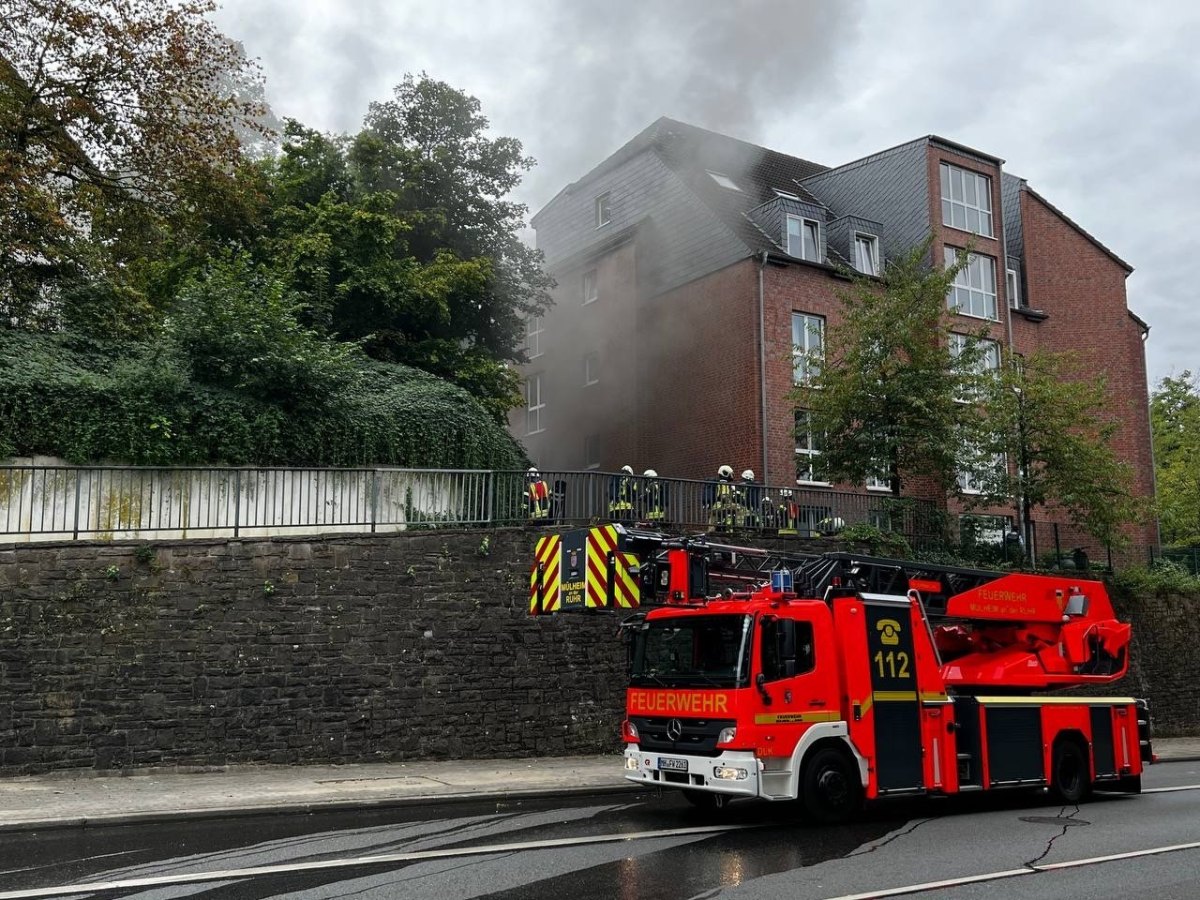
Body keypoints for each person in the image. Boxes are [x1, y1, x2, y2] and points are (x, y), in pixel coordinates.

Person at [706, 465, 737, 531]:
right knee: (738, 509)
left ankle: (710, 533)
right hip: (720, 506)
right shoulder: (724, 484)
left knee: (713, 521)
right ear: (726, 473)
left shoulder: (717, 483)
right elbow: (724, 496)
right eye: (731, 474)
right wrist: (731, 503)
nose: (732, 476)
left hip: (713, 506)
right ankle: (729, 531)